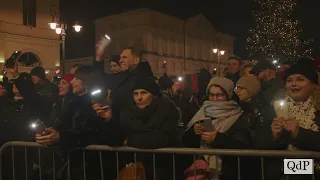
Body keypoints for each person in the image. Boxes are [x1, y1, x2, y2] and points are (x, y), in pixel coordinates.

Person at [257, 58, 320, 180]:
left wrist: (299, 133)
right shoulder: (275, 108)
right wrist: (275, 136)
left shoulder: (318, 109)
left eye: (300, 79)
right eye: (289, 80)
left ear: (312, 85)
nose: (294, 84)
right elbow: (259, 144)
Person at [183, 77, 251, 180]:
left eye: (219, 95)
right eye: (211, 94)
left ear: (228, 95)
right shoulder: (203, 112)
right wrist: (194, 132)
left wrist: (217, 139)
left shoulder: (237, 116)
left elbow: (243, 145)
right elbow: (187, 143)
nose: (214, 98)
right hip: (202, 172)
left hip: (228, 172)